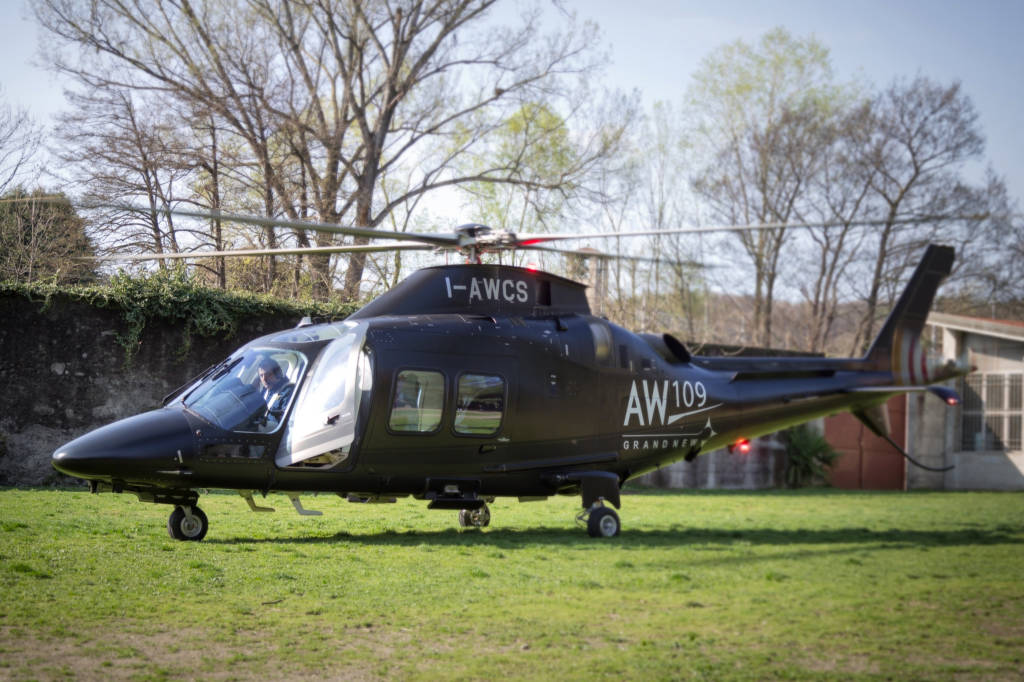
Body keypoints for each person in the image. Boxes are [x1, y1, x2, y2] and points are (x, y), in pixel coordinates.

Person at [257, 357, 294, 428]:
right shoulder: (265, 391)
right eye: (261, 375)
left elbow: (285, 422)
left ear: (278, 374)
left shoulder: (288, 390)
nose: (264, 379)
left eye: (268, 374)